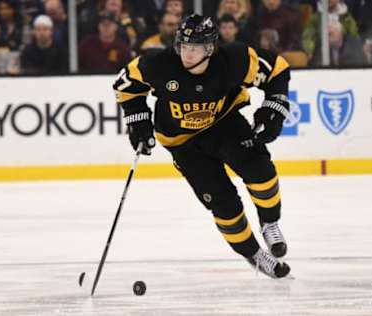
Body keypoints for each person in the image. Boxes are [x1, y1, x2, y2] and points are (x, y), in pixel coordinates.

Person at [113, 14, 291, 278]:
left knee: (260, 171)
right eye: (184, 46)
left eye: (194, 47)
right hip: (183, 143)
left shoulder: (233, 60)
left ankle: (270, 222)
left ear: (209, 48)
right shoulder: (158, 64)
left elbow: (277, 69)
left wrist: (274, 105)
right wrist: (137, 120)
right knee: (224, 206)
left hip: (225, 124)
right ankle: (254, 254)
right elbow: (125, 86)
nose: (187, 53)